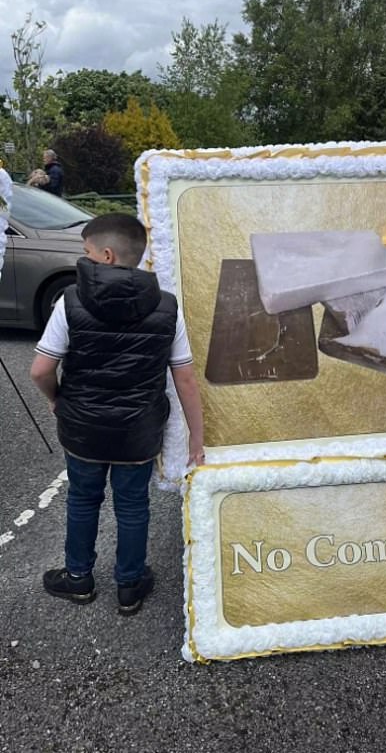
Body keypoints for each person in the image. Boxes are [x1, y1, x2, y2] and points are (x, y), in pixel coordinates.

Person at [30, 213, 205, 615]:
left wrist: (56, 399)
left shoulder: (69, 301)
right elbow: (186, 380)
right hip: (138, 429)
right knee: (132, 505)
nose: (84, 259)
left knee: (82, 499)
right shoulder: (167, 306)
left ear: (106, 255)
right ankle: (130, 586)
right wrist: (197, 438)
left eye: (87, 251)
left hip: (83, 427)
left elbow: (40, 369)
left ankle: (77, 579)